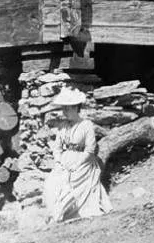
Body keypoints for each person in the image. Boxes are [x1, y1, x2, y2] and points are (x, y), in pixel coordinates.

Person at [43, 87, 112, 223]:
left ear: (75, 108)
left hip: (84, 162)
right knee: (52, 181)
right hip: (65, 161)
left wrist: (77, 164)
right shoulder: (63, 126)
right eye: (63, 108)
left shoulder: (86, 125)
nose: (64, 112)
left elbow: (90, 150)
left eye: (67, 108)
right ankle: (54, 213)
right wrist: (58, 162)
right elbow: (57, 148)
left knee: (71, 181)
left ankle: (65, 213)